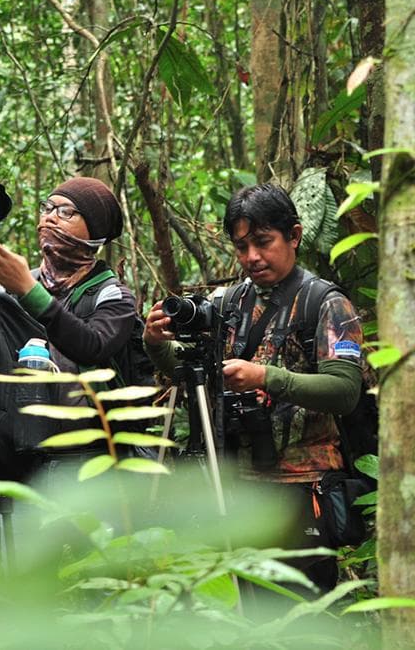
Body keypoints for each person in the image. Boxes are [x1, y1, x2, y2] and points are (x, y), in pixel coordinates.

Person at [143, 183, 364, 590]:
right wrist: (156, 344)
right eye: (241, 246)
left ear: (294, 236)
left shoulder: (326, 303)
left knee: (301, 609)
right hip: (234, 487)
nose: (252, 257)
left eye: (263, 242)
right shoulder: (229, 302)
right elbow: (192, 374)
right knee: (239, 604)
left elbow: (345, 390)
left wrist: (266, 377)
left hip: (301, 488)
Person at [0, 176, 143, 478]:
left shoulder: (112, 295)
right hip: (19, 459)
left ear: (95, 231)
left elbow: (93, 345)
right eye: (48, 207)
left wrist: (26, 289)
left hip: (92, 461)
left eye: (66, 212)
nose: (50, 217)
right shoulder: (14, 287)